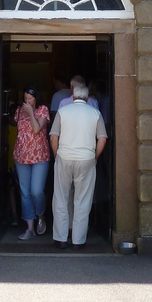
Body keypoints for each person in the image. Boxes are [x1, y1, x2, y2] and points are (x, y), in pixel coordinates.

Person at [49, 83, 107, 249]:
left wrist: (56, 154)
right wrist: (94, 157)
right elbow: (102, 139)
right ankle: (78, 241)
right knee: (82, 200)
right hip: (86, 159)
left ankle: (60, 239)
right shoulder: (95, 113)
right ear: (88, 98)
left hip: (64, 157)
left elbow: (53, 137)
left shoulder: (62, 111)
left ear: (73, 95)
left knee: (61, 197)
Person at [13, 87, 50, 240]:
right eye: (25, 98)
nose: (27, 101)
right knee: (25, 192)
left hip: (39, 156)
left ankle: (40, 215)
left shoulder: (42, 110)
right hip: (21, 156)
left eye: (30, 98)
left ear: (36, 99)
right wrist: (24, 111)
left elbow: (36, 129)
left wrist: (30, 113)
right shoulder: (19, 110)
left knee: (36, 191)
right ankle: (30, 228)